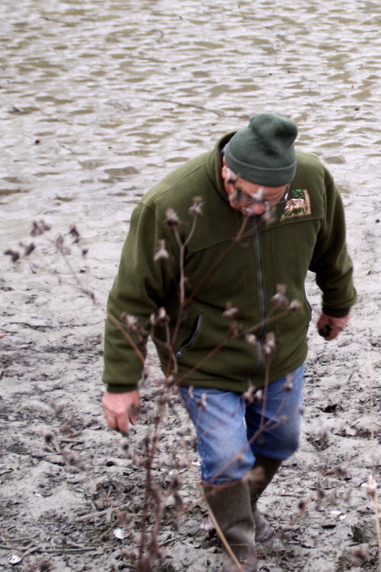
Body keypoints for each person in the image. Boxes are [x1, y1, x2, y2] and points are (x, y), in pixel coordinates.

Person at [101, 113, 357, 572]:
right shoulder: (169, 205)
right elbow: (130, 297)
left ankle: (241, 505)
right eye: (246, 196)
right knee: (225, 458)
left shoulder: (312, 179)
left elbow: (332, 250)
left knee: (282, 440)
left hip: (283, 350)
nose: (256, 209)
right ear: (225, 169)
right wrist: (121, 381)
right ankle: (239, 544)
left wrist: (338, 303)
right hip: (205, 359)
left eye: (270, 202)